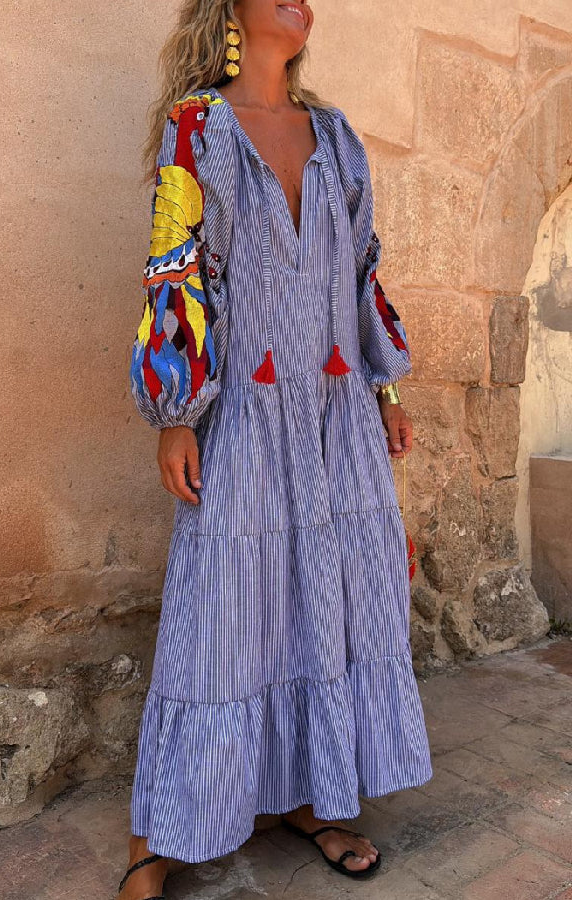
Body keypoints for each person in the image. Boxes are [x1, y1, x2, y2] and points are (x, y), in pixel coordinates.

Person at [118, 1, 433, 897]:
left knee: (328, 606)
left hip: (338, 417)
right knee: (218, 616)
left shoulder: (334, 138)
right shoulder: (197, 132)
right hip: (244, 418)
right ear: (230, 9)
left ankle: (315, 799)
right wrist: (175, 413)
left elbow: (364, 265)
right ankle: (161, 832)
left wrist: (387, 387)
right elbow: (172, 264)